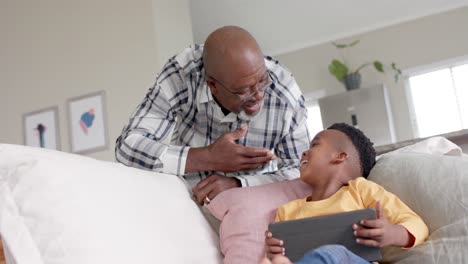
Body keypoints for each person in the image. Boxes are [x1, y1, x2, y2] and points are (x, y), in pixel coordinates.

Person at [115, 26, 310, 206]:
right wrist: (207, 157)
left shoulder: (286, 95)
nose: (258, 95)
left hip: (253, 203)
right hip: (186, 199)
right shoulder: (183, 75)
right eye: (243, 90)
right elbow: (127, 146)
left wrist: (238, 183)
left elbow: (303, 172)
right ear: (212, 85)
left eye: (262, 80)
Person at [263, 123, 429, 264]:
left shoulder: (360, 190)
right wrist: (273, 253)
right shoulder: (287, 211)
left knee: (332, 253)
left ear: (340, 157)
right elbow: (279, 256)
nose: (303, 153)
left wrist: (391, 234)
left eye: (314, 145)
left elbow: (417, 224)